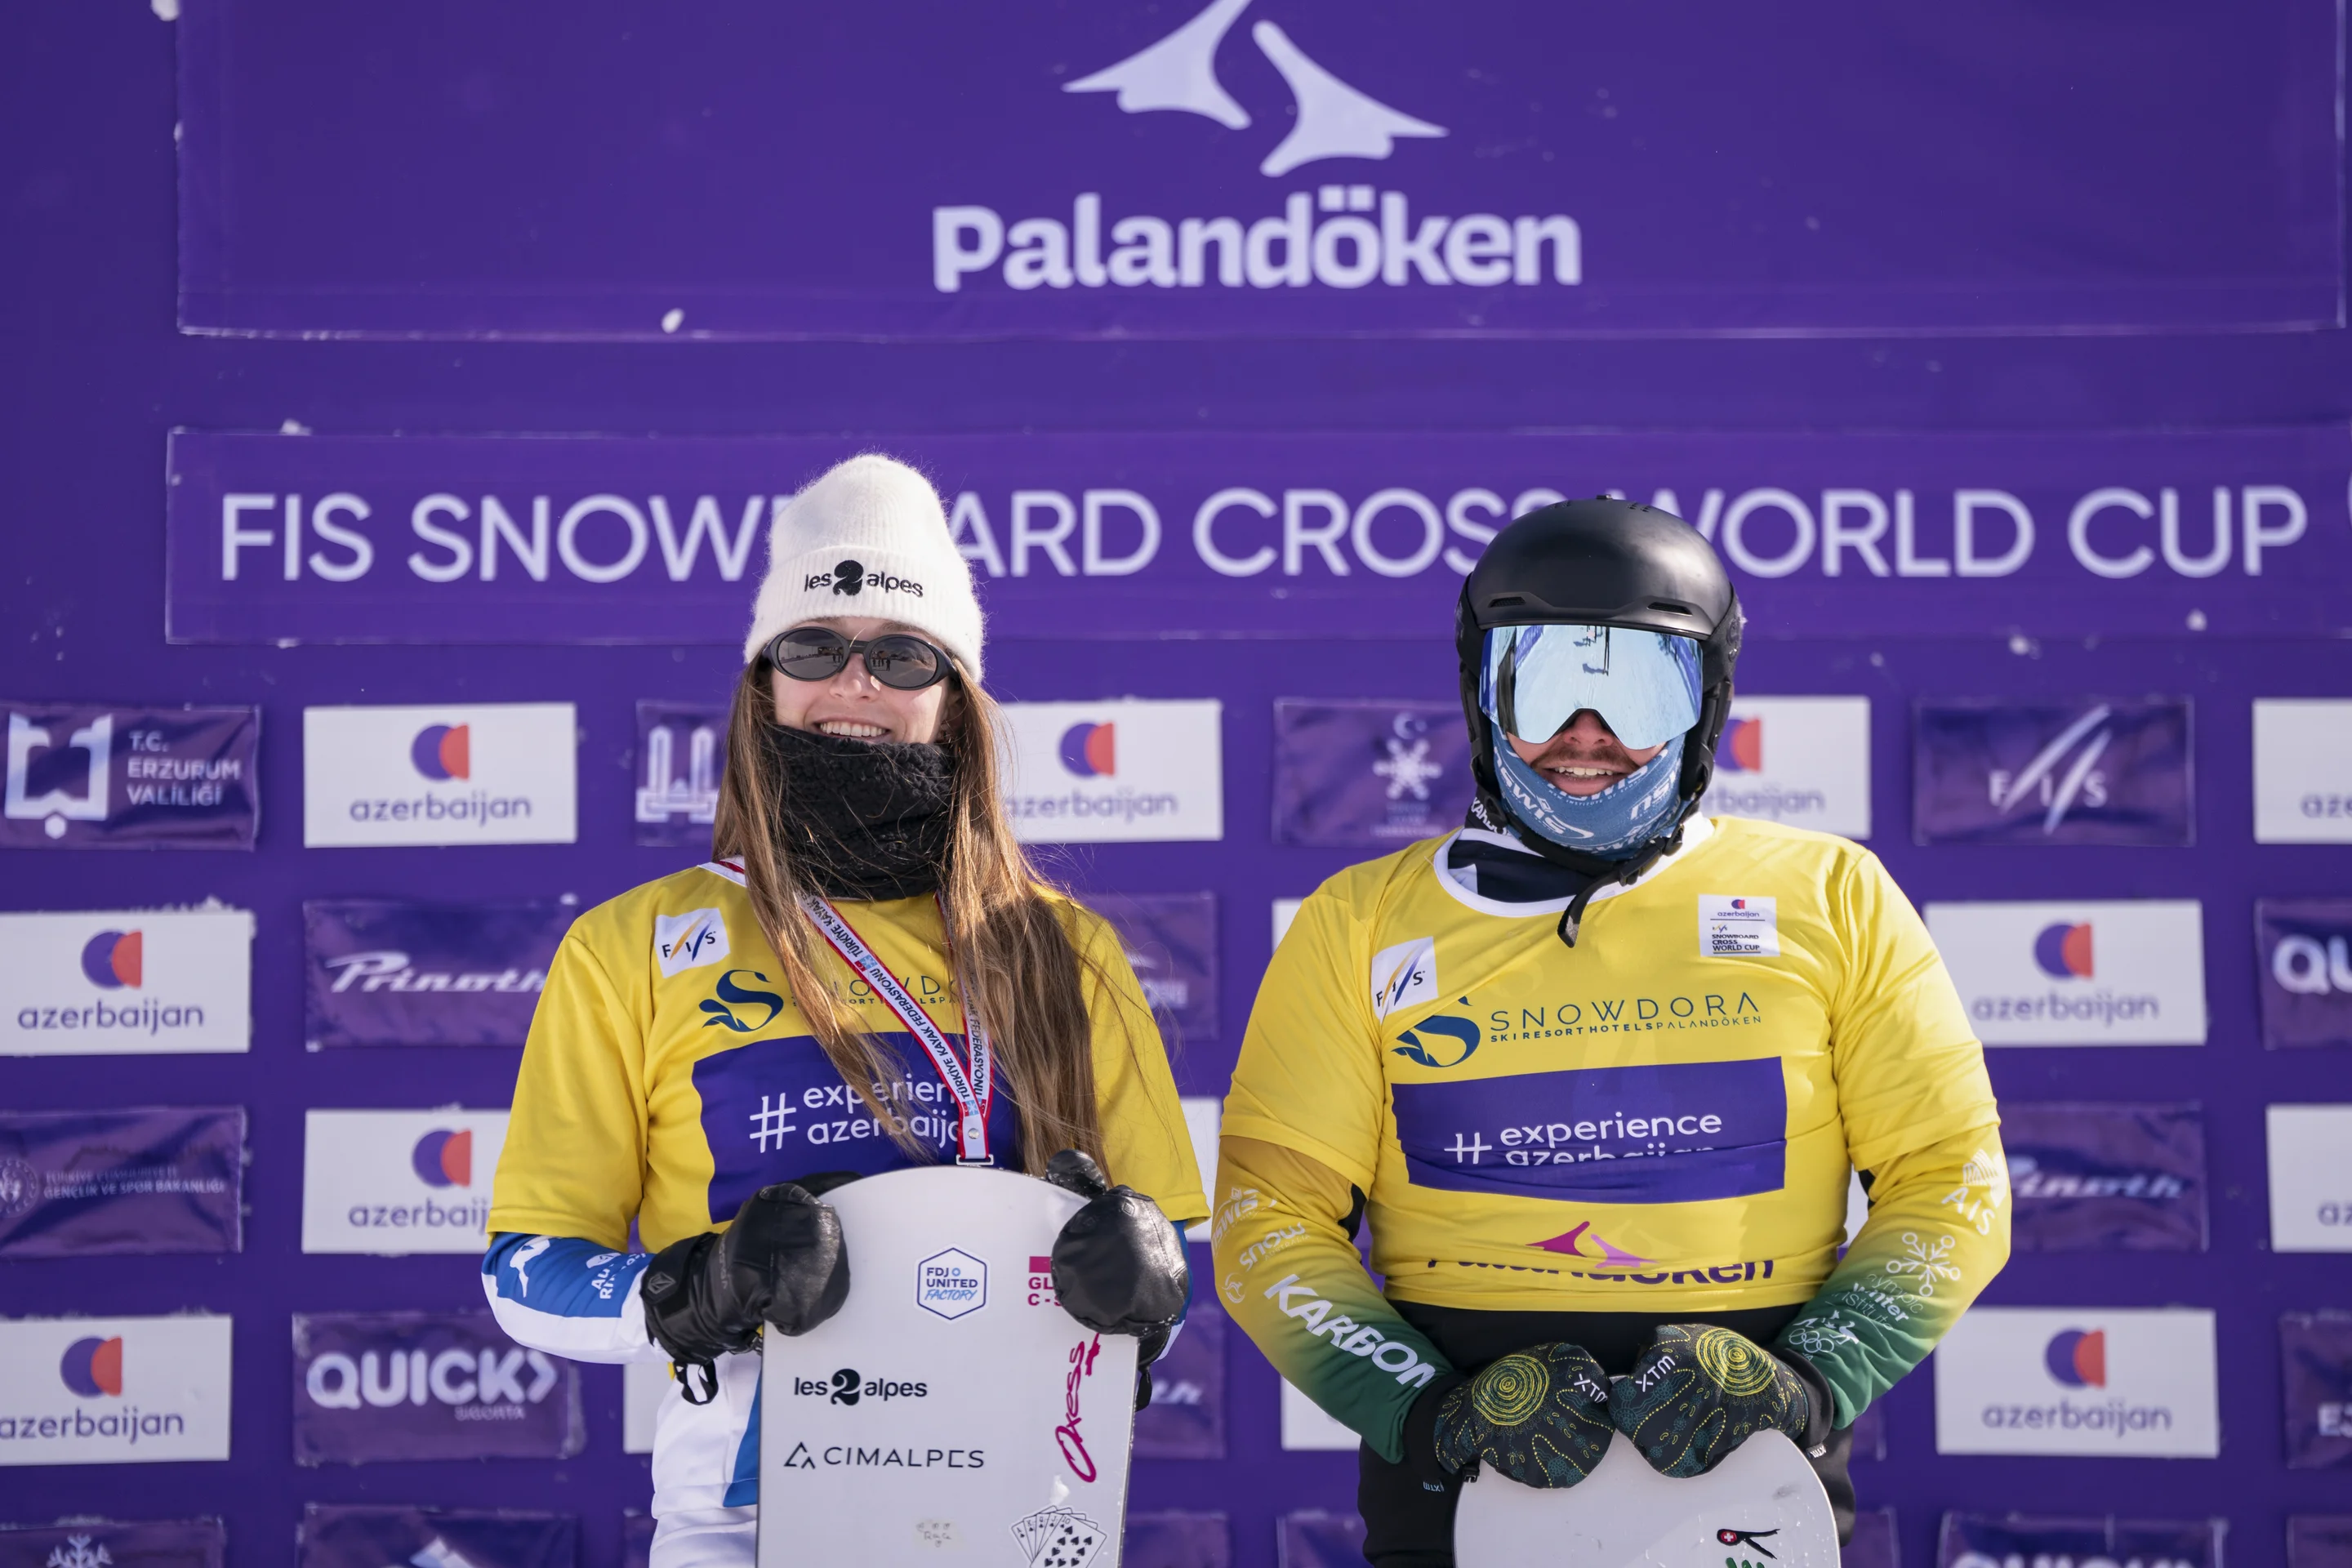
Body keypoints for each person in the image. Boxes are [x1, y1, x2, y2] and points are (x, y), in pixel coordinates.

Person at [1214, 498, 2009, 1565]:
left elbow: (1953, 1182)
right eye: (1541, 682)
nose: (1586, 735)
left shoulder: (1834, 896)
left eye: (1640, 687)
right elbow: (1268, 1221)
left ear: (1707, 701)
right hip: (1464, 1479)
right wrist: (1436, 1409)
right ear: (1480, 692)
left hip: (1752, 1470)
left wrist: (1807, 1378)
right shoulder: (1360, 923)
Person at [481, 454, 1205, 1567]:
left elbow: (1165, 1258)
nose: (855, 683)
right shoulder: (631, 946)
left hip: (1020, 1504)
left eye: (902, 654)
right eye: (814, 646)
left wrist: (1145, 1277)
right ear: (763, 683)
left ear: (953, 701)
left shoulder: (1062, 949)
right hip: (747, 1517)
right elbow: (527, 1275)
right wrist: (698, 1288)